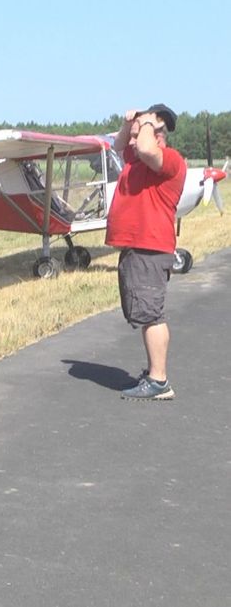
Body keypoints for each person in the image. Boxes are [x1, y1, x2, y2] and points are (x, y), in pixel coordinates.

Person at [107, 103, 187, 401]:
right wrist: (129, 124)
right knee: (145, 311)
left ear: (158, 133)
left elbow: (147, 148)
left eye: (143, 131)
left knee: (152, 314)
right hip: (138, 246)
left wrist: (147, 125)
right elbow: (118, 145)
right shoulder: (139, 159)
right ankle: (155, 374)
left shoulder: (167, 160)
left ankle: (158, 381)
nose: (134, 138)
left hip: (149, 247)